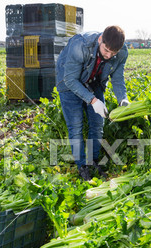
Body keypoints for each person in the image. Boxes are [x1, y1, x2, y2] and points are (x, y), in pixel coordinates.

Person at [56, 25, 129, 181]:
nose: (108, 56)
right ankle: (82, 166)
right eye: (106, 50)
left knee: (97, 124)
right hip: (69, 80)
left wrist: (123, 99)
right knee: (75, 126)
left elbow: (117, 78)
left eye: (113, 53)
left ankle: (93, 162)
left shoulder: (122, 53)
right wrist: (92, 100)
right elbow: (70, 79)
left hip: (94, 81)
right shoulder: (80, 45)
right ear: (100, 39)